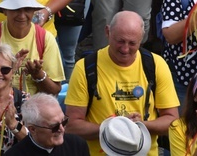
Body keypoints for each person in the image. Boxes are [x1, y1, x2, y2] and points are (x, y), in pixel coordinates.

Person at [65, 11, 180, 156]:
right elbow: (72, 126)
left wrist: (139, 126)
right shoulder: (85, 67)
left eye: (132, 43)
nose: (125, 49)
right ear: (107, 32)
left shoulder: (156, 64)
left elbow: (172, 121)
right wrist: (111, 128)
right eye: (120, 41)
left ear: (142, 38)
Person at [6, 93, 90, 156]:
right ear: (33, 129)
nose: (62, 129)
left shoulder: (77, 145)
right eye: (54, 126)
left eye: (64, 122)